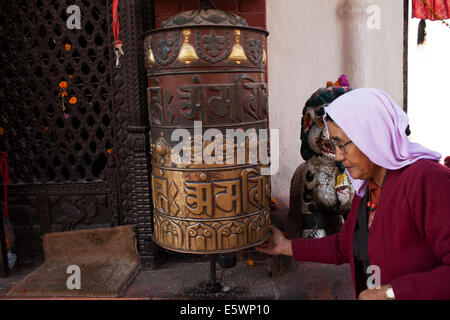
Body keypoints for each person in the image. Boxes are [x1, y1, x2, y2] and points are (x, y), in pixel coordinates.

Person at [256, 88, 450, 300]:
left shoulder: (426, 180)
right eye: (334, 145)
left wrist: (392, 293)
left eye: (342, 144)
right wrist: (284, 246)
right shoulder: (366, 189)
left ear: (371, 136)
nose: (337, 156)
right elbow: (344, 245)